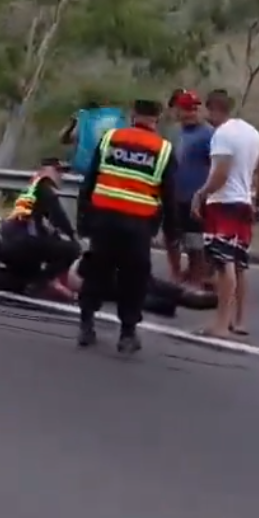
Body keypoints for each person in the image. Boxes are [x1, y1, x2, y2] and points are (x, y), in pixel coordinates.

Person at [76, 99, 179, 354]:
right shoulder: (163, 149)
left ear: (133, 115)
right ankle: (127, 334)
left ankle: (86, 325)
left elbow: (90, 181)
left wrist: (83, 220)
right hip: (138, 225)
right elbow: (170, 195)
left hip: (103, 220)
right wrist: (171, 232)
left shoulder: (111, 138)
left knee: (97, 271)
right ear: (156, 119)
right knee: (133, 279)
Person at [192, 89, 259, 340]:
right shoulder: (253, 134)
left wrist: (200, 194)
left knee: (224, 264)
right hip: (244, 203)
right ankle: (239, 320)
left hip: (223, 203)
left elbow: (220, 173)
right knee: (240, 263)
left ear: (213, 109)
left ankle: (221, 324)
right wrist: (257, 202)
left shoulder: (222, 135)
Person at [0, 157, 81, 302]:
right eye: (57, 171)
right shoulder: (44, 187)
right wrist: (73, 236)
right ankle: (41, 283)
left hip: (7, 239)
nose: (60, 176)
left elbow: (39, 219)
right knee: (73, 249)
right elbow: (58, 218)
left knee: (19, 280)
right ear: (45, 170)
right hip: (25, 242)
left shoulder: (32, 187)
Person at [165, 88, 214, 287]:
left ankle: (198, 275)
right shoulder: (175, 133)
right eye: (186, 109)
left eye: (194, 109)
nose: (191, 113)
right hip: (176, 194)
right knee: (177, 236)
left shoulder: (208, 134)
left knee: (196, 239)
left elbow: (217, 164)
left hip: (198, 196)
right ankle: (179, 273)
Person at [60, 100, 125, 175]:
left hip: (86, 171)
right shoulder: (110, 125)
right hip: (102, 170)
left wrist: (73, 123)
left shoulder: (87, 126)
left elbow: (64, 139)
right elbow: (64, 139)